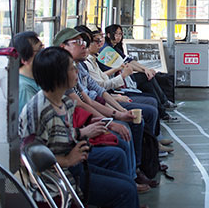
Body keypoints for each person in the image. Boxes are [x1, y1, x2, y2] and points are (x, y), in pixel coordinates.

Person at [19, 47, 139, 208]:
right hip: (55, 184)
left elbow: (60, 135)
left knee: (128, 184)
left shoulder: (65, 102)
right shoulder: (37, 110)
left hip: (74, 169)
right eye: (71, 68)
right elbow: (27, 158)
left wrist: (83, 133)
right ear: (57, 76)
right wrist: (68, 160)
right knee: (126, 191)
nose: (77, 71)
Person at [100, 24, 179, 123]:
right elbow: (126, 65)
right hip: (118, 81)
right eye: (116, 34)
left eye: (120, 34)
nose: (119, 37)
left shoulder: (115, 49)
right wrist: (145, 70)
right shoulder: (105, 51)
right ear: (108, 35)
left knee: (147, 78)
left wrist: (146, 69)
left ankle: (163, 108)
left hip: (123, 78)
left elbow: (129, 61)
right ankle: (163, 106)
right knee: (147, 81)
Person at [11, 31, 44, 112]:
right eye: (39, 51)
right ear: (25, 60)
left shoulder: (36, 77)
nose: (44, 54)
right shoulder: (24, 88)